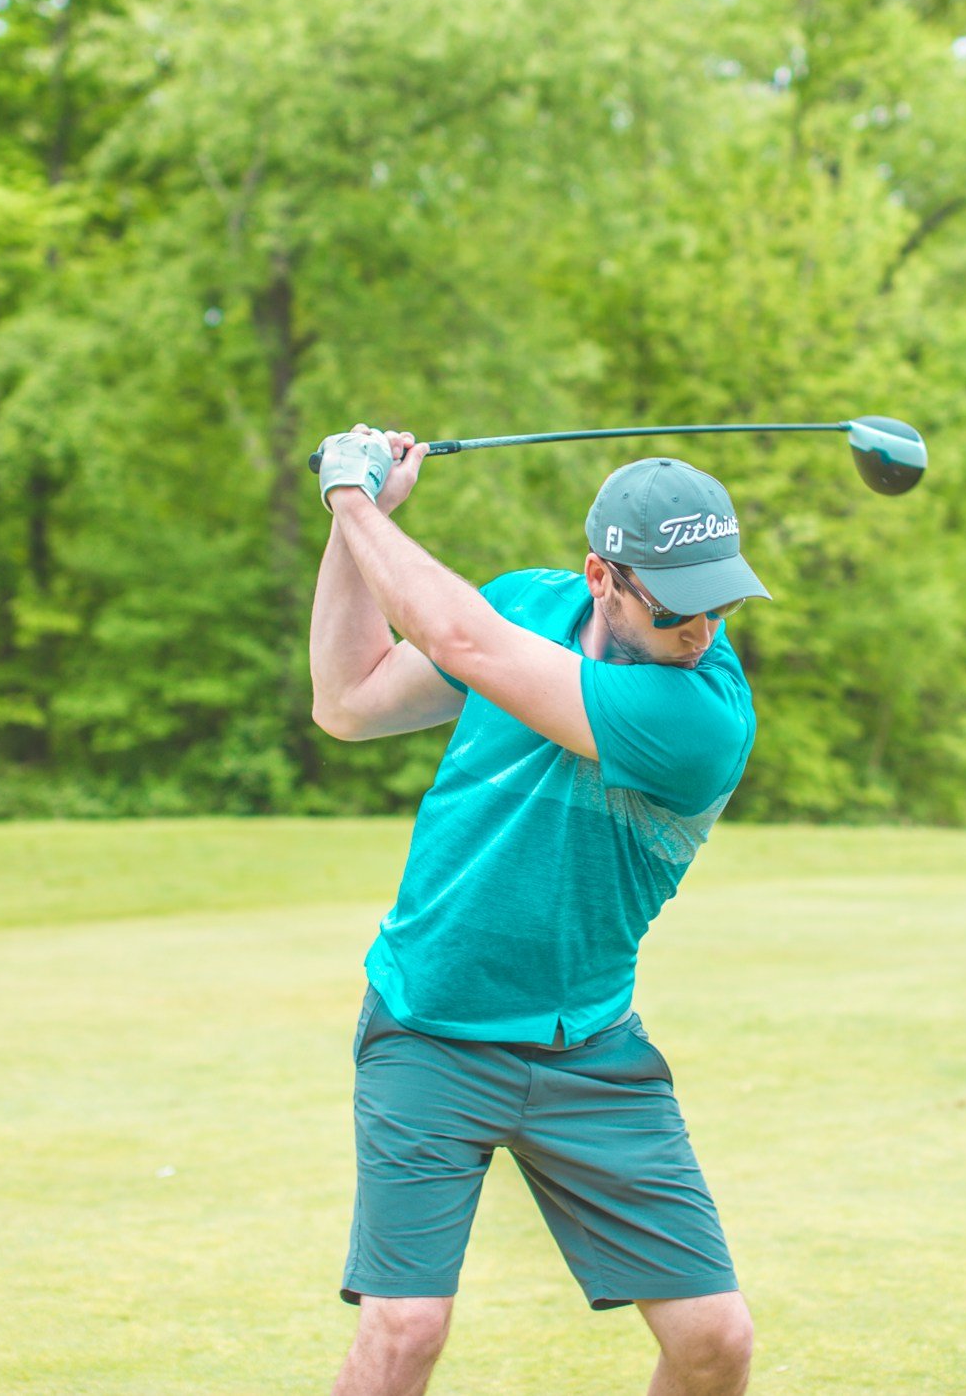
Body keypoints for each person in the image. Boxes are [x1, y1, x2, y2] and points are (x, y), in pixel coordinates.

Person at [307, 423, 771, 1396]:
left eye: (721, 600)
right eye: (679, 603)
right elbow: (348, 700)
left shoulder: (699, 716)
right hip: (429, 1027)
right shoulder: (526, 601)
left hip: (589, 1048)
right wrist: (359, 527)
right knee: (403, 1334)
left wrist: (351, 497)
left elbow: (460, 635)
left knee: (714, 1340)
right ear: (602, 574)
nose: (704, 627)